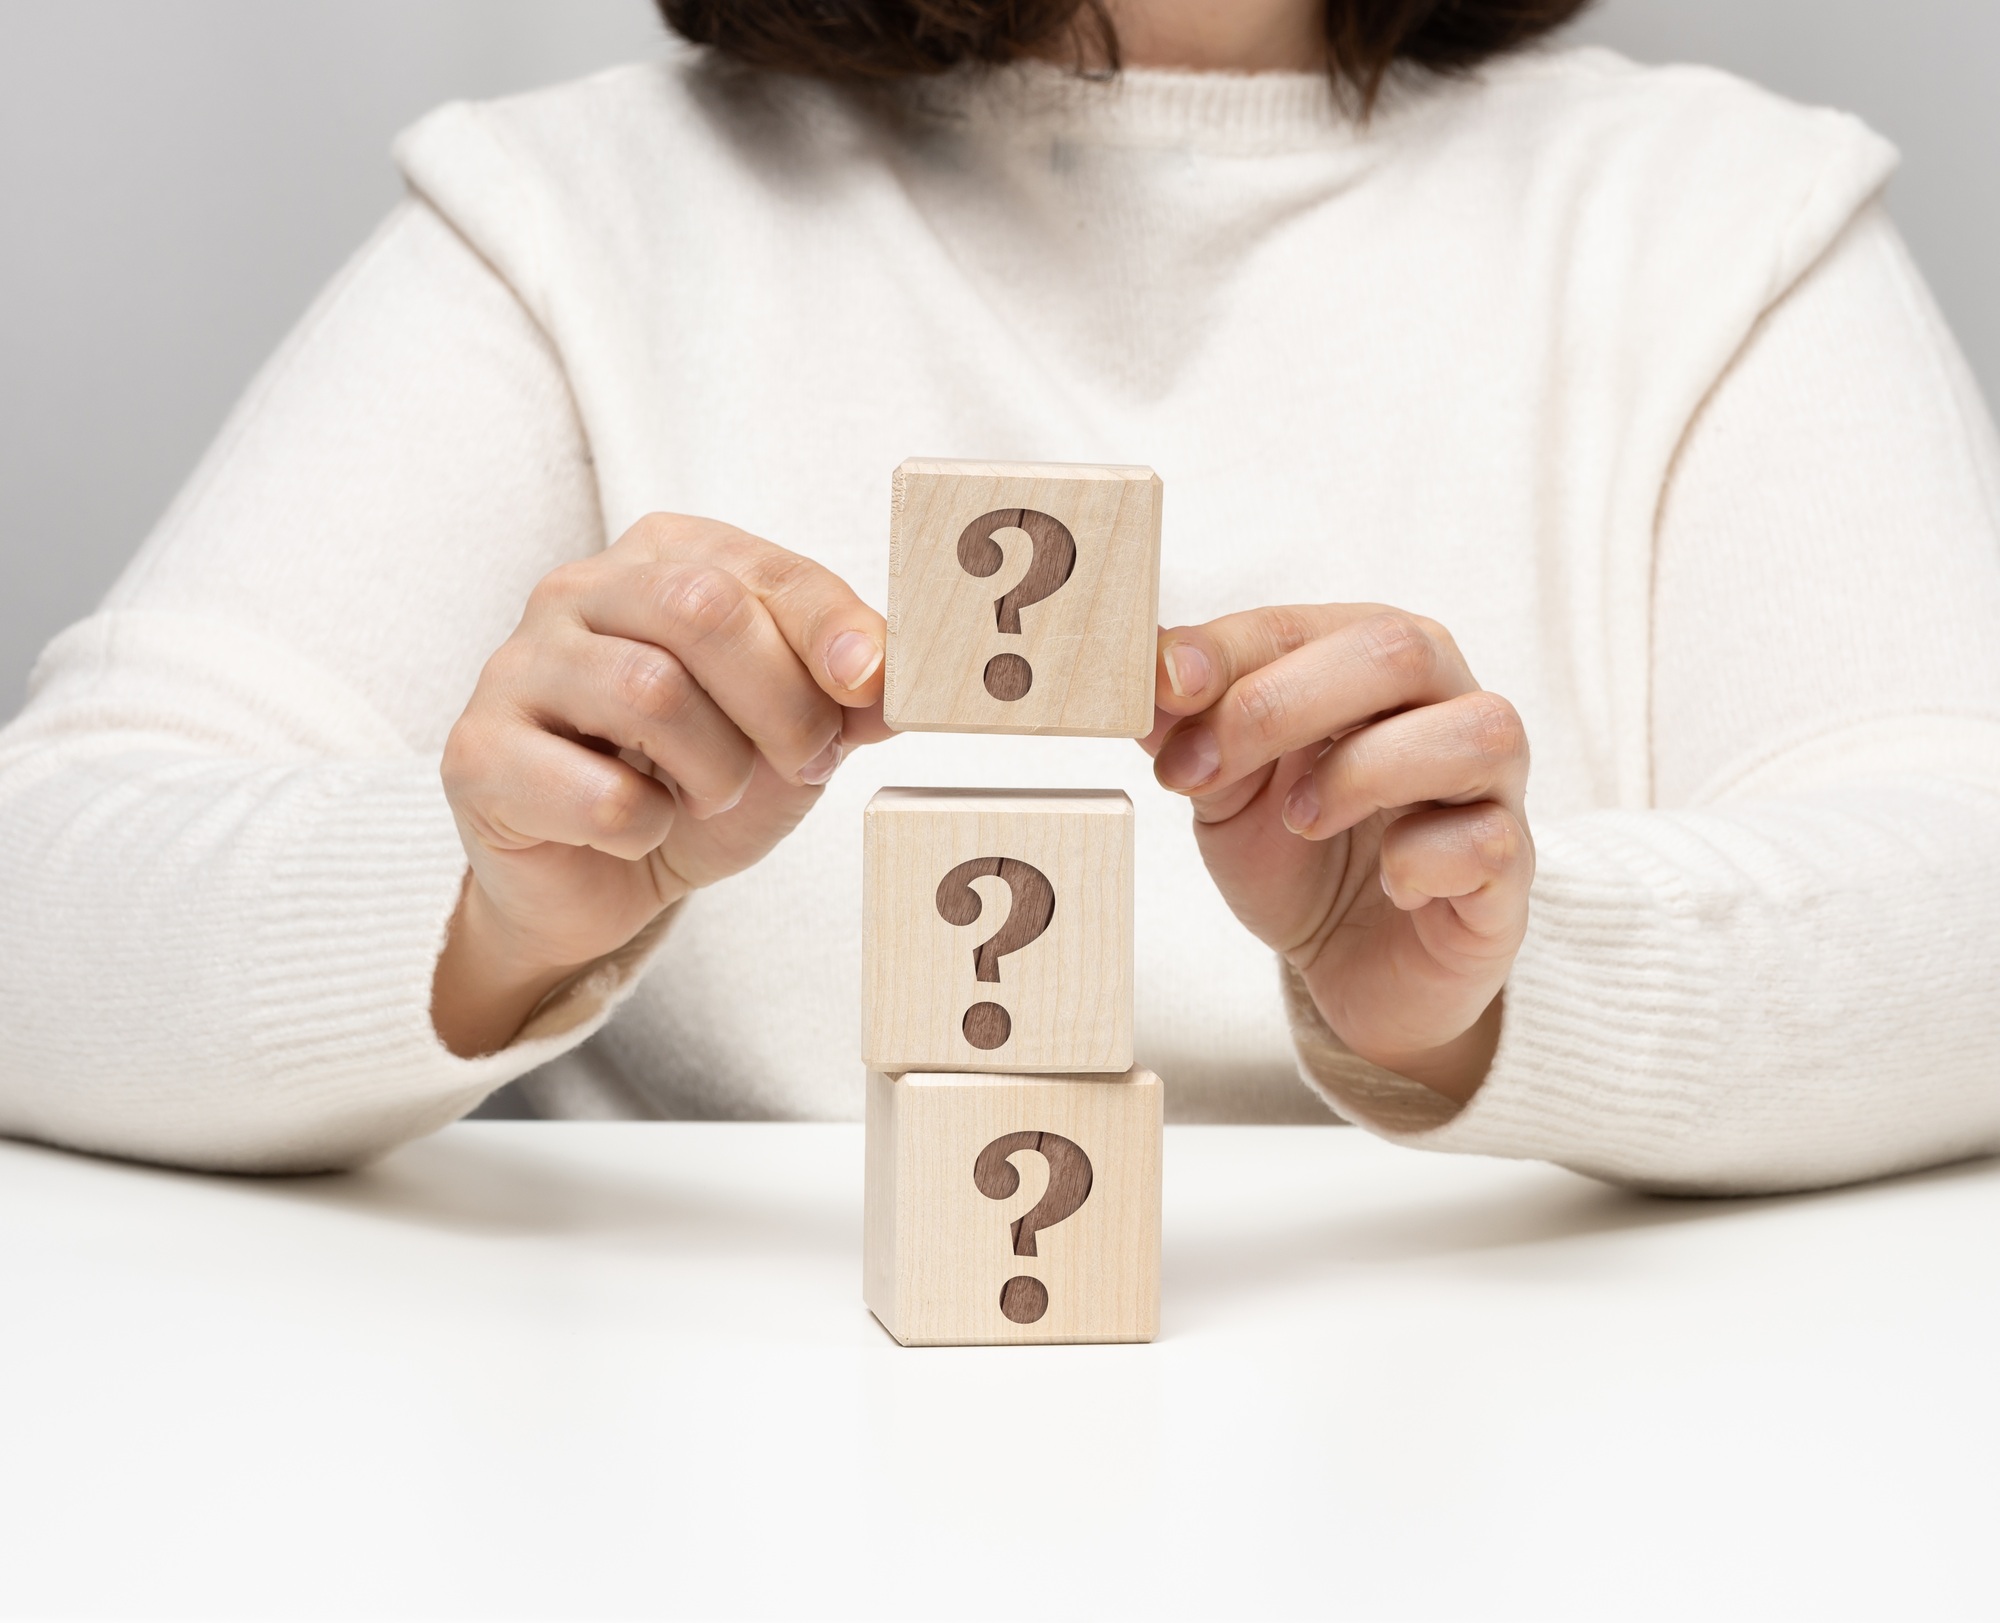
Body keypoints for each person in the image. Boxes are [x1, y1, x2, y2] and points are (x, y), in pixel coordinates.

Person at [1, 0, 1996, 1190]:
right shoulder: (568, 219)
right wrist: (483, 906)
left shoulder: (1718, 222)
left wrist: (1496, 980)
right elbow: (40, 897)